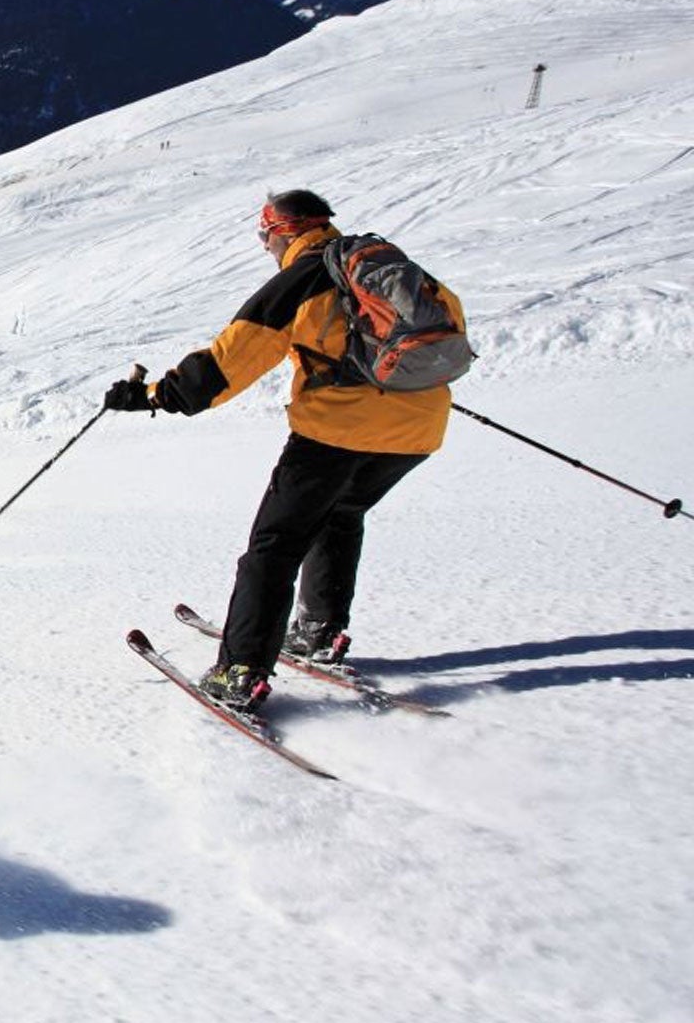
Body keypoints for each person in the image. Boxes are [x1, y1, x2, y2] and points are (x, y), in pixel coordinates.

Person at [104, 190, 465, 710]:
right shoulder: (386, 266)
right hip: (419, 427)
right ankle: (320, 630)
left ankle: (241, 671)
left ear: (283, 231)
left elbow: (231, 360)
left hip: (337, 432)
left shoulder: (303, 278)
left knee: (275, 547)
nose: (265, 246)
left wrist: (156, 395)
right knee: (341, 513)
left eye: (264, 235)